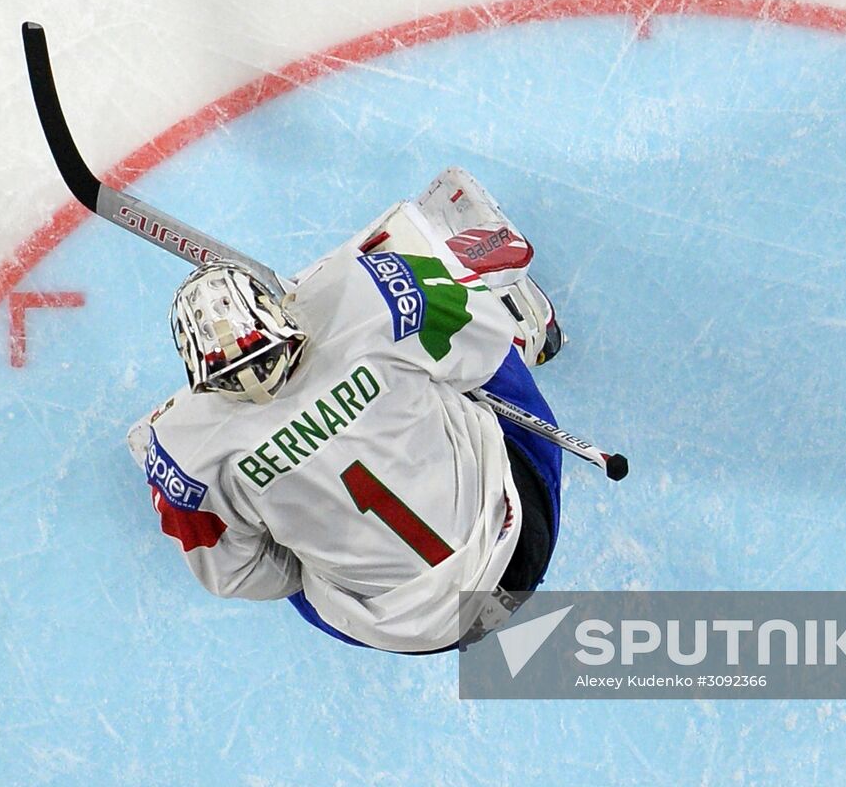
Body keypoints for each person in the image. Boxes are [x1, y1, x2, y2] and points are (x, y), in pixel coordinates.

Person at [126, 167, 565, 653]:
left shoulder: (182, 455)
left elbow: (241, 574)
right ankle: (525, 322)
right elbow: (481, 348)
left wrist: (319, 522)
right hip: (523, 537)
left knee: (277, 547)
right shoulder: (372, 299)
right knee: (456, 346)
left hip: (417, 632)